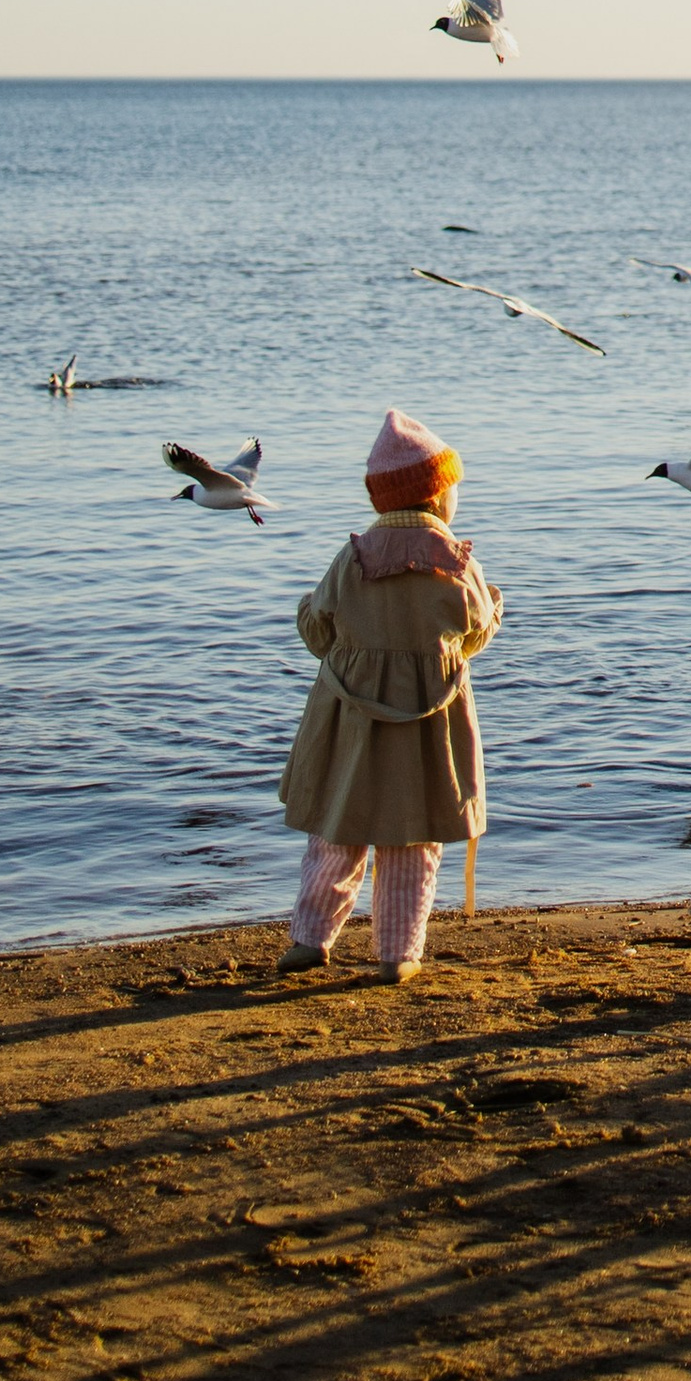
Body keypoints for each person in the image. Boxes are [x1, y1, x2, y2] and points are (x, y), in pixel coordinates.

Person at [277, 406, 503, 983]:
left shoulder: (351, 560)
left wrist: (308, 610)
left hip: (350, 720)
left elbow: (320, 634)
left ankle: (309, 938)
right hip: (427, 728)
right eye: (452, 490)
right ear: (435, 497)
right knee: (413, 837)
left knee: (336, 828)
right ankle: (398, 953)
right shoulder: (456, 563)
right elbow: (473, 633)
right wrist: (493, 613)